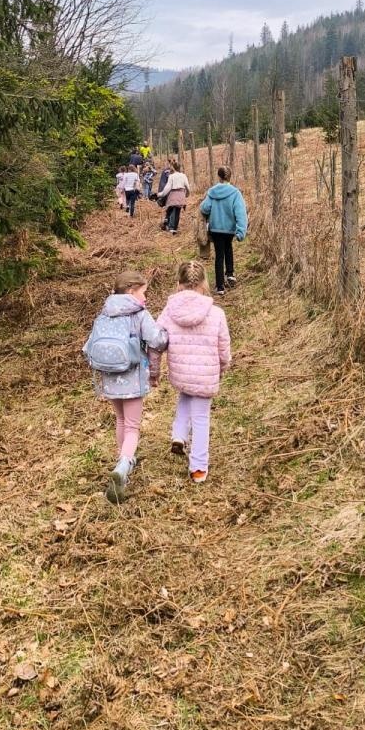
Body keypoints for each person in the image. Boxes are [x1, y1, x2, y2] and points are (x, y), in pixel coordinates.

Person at [83, 269, 168, 503]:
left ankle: (123, 458)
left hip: (109, 376)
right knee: (133, 426)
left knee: (120, 421)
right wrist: (167, 335)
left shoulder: (105, 312)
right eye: (143, 293)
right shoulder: (138, 313)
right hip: (132, 376)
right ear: (131, 292)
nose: (145, 298)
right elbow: (157, 340)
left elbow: (88, 346)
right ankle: (122, 468)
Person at [150, 260, 231, 483]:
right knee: (201, 417)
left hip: (180, 371)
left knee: (186, 394)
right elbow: (224, 348)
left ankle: (179, 435)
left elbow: (155, 343)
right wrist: (223, 368)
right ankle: (198, 467)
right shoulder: (216, 313)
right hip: (205, 373)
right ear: (204, 283)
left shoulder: (168, 312)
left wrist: (154, 372)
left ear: (178, 284)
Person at [199, 166, 248, 295]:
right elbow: (240, 212)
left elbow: (205, 208)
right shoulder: (235, 193)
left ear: (219, 177)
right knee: (228, 248)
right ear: (230, 176)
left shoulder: (212, 192)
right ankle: (230, 274)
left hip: (215, 229)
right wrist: (241, 231)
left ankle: (220, 286)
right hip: (229, 229)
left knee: (219, 255)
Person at [157, 159, 190, 235]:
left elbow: (167, 188)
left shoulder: (171, 176)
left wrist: (160, 194)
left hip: (173, 194)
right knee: (177, 211)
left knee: (171, 209)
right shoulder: (183, 176)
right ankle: (174, 227)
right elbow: (187, 187)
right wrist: (187, 195)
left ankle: (171, 227)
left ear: (174, 168)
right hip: (181, 195)